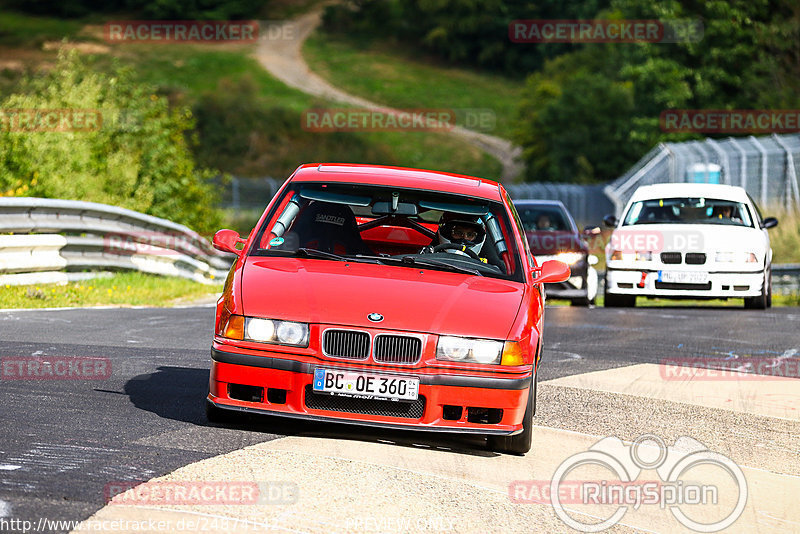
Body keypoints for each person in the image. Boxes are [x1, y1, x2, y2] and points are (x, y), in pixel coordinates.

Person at [422, 212, 487, 260]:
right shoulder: (426, 255)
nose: (464, 237)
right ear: (447, 232)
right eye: (458, 233)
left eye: (470, 235)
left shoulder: (487, 265)